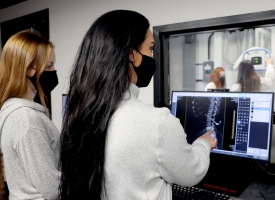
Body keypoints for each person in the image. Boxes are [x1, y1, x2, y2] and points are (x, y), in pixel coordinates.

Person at [59, 10, 217, 200]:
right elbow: (191, 172)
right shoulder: (157, 122)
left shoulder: (81, 113)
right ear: (132, 54)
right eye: (150, 48)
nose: (152, 55)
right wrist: (203, 144)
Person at [0, 30, 61, 200]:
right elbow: (52, 188)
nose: (54, 70)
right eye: (49, 66)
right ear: (29, 69)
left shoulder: (15, 111)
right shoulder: (26, 119)